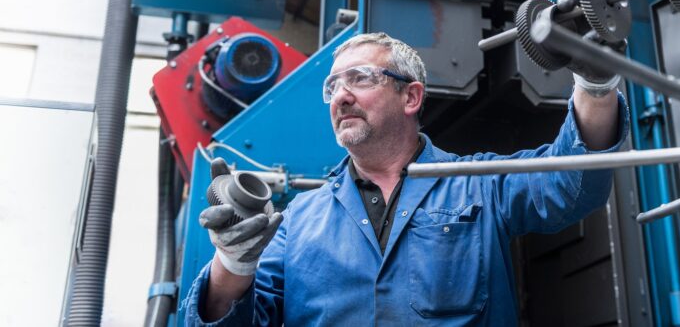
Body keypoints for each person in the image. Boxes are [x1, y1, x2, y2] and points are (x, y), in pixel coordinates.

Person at [184, 30, 628, 325]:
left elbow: (571, 186)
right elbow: (232, 318)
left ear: (411, 96)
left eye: (359, 79)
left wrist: (594, 84)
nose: (341, 96)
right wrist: (233, 262)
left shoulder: (477, 184)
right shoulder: (298, 220)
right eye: (333, 87)